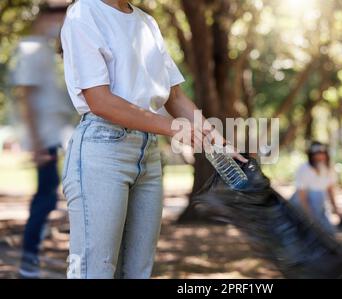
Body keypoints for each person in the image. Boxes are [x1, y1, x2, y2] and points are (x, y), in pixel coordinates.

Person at [60, 0, 247, 279]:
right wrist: (172, 128)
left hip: (147, 153)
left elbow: (174, 97)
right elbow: (100, 101)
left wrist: (216, 140)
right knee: (94, 271)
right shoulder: (84, 12)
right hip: (103, 147)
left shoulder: (147, 23)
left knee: (138, 272)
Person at [8, 1, 75, 278]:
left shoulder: (45, 50)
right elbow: (26, 99)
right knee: (44, 200)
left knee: (48, 198)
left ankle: (30, 257)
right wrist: (36, 143)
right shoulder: (32, 49)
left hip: (52, 136)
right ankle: (28, 261)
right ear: (48, 17)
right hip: (43, 138)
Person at [289, 142, 341, 235]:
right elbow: (302, 197)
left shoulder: (329, 169)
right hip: (302, 206)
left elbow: (330, 190)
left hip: (319, 208)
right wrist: (309, 218)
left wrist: (336, 210)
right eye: (316, 154)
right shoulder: (303, 169)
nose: (320, 156)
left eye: (322, 153)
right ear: (311, 155)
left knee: (330, 232)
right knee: (316, 195)